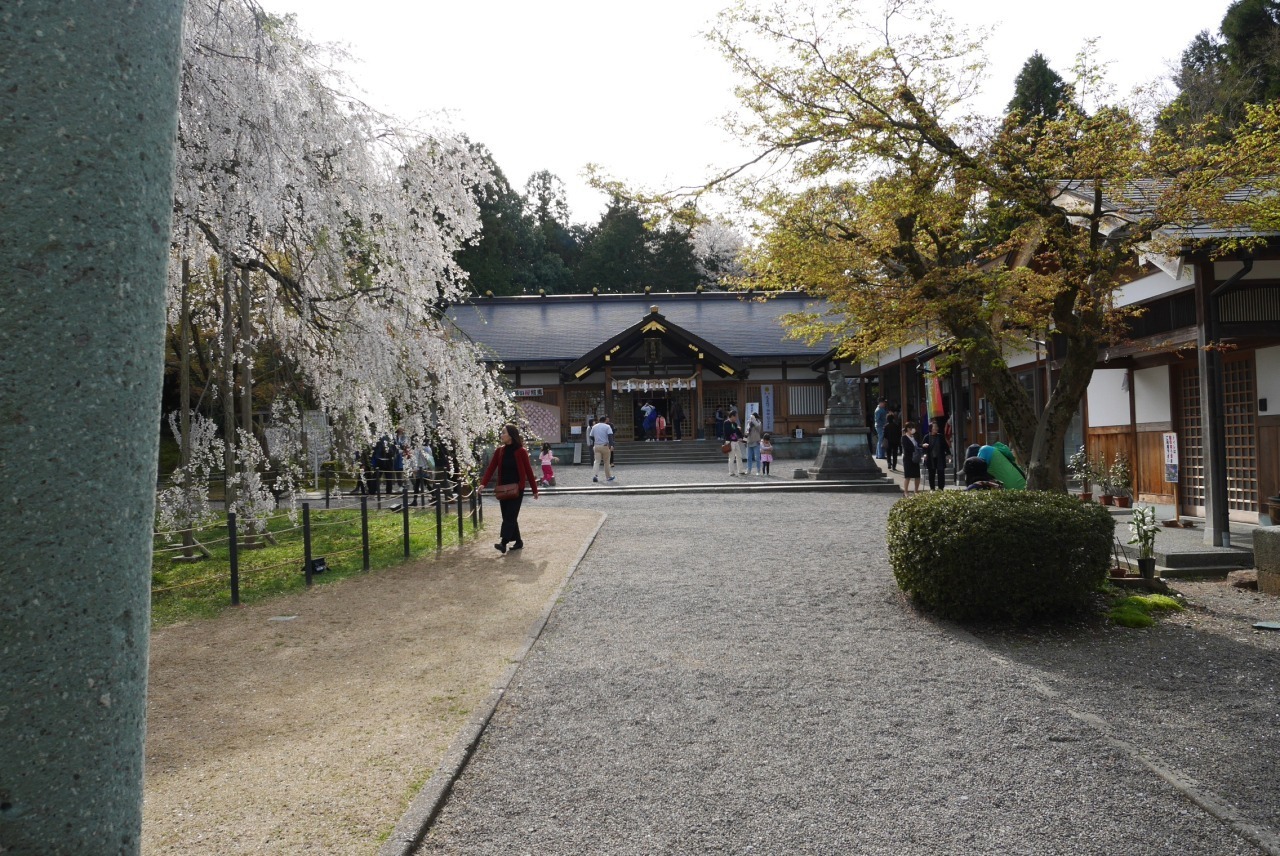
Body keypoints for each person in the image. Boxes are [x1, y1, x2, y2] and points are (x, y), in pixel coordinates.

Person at [479, 423, 539, 553]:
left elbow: (528, 471)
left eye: (503, 432)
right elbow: (491, 468)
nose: (501, 435)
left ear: (511, 435)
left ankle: (503, 543)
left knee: (510, 516)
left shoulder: (521, 451)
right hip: (503, 488)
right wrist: (483, 483)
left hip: (517, 489)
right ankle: (518, 541)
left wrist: (535, 490)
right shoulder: (500, 451)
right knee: (508, 516)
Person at [920, 419, 951, 491]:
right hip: (931, 458)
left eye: (937, 427)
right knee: (931, 474)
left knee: (941, 474)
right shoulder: (927, 437)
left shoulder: (940, 436)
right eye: (935, 427)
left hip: (940, 458)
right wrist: (924, 454)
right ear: (931, 428)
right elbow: (923, 447)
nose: (936, 428)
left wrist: (948, 454)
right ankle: (932, 489)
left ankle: (941, 488)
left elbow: (945, 446)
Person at [588, 416, 616, 483]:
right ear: (605, 420)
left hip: (597, 446)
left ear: (599, 420)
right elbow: (610, 436)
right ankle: (608, 477)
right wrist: (611, 445)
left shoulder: (594, 427)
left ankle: (595, 475)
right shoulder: (607, 427)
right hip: (605, 445)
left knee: (597, 461)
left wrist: (595, 440)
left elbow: (591, 436)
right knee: (606, 462)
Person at [409, 442, 435, 506]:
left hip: (419, 468)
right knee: (426, 484)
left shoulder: (418, 449)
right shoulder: (428, 448)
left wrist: (414, 468)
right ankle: (434, 497)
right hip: (426, 467)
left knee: (418, 485)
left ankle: (415, 501)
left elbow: (416, 458)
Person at [900, 421, 922, 496]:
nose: (912, 429)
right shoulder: (904, 437)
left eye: (913, 428)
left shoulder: (914, 437)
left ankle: (916, 490)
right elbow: (906, 448)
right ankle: (905, 491)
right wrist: (915, 448)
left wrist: (921, 446)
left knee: (917, 475)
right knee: (908, 476)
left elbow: (918, 444)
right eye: (911, 428)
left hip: (915, 458)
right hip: (908, 458)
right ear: (908, 429)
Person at [723, 410, 744, 477]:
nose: (736, 418)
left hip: (736, 441)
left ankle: (740, 470)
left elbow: (738, 432)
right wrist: (737, 429)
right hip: (730, 441)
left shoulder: (734, 424)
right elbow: (728, 432)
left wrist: (742, 438)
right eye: (735, 417)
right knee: (731, 457)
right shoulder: (726, 423)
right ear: (732, 416)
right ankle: (731, 472)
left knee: (739, 456)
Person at [743, 411, 763, 475]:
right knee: (749, 457)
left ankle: (758, 470)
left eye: (752, 417)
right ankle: (749, 470)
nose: (751, 418)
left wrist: (754, 420)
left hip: (756, 441)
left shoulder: (759, 422)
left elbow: (758, 428)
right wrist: (746, 435)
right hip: (749, 441)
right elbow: (746, 432)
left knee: (757, 457)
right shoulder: (749, 423)